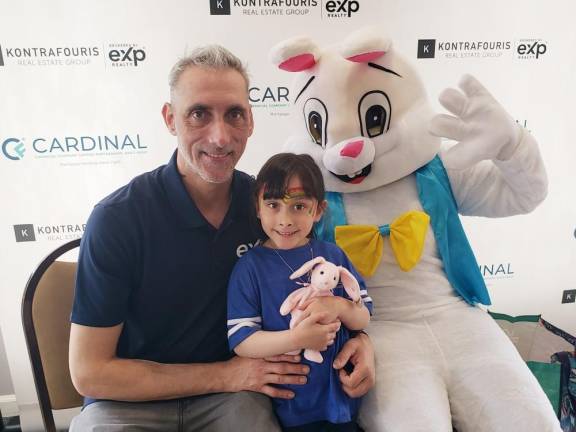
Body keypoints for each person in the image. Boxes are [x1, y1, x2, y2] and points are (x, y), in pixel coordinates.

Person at [68, 45, 375, 431]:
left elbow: (337, 292)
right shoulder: (118, 219)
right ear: (170, 119)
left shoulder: (274, 212)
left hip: (237, 401)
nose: (219, 136)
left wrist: (361, 340)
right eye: (199, 114)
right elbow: (90, 373)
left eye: (234, 114)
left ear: (250, 120)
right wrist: (226, 375)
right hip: (128, 405)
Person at [227, 153, 373, 432]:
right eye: (272, 205)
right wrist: (296, 338)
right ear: (257, 207)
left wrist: (340, 307)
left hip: (343, 399)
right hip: (291, 404)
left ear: (318, 210)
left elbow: (364, 317)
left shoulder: (333, 255)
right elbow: (242, 341)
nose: (284, 220)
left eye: (298, 206)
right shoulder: (249, 268)